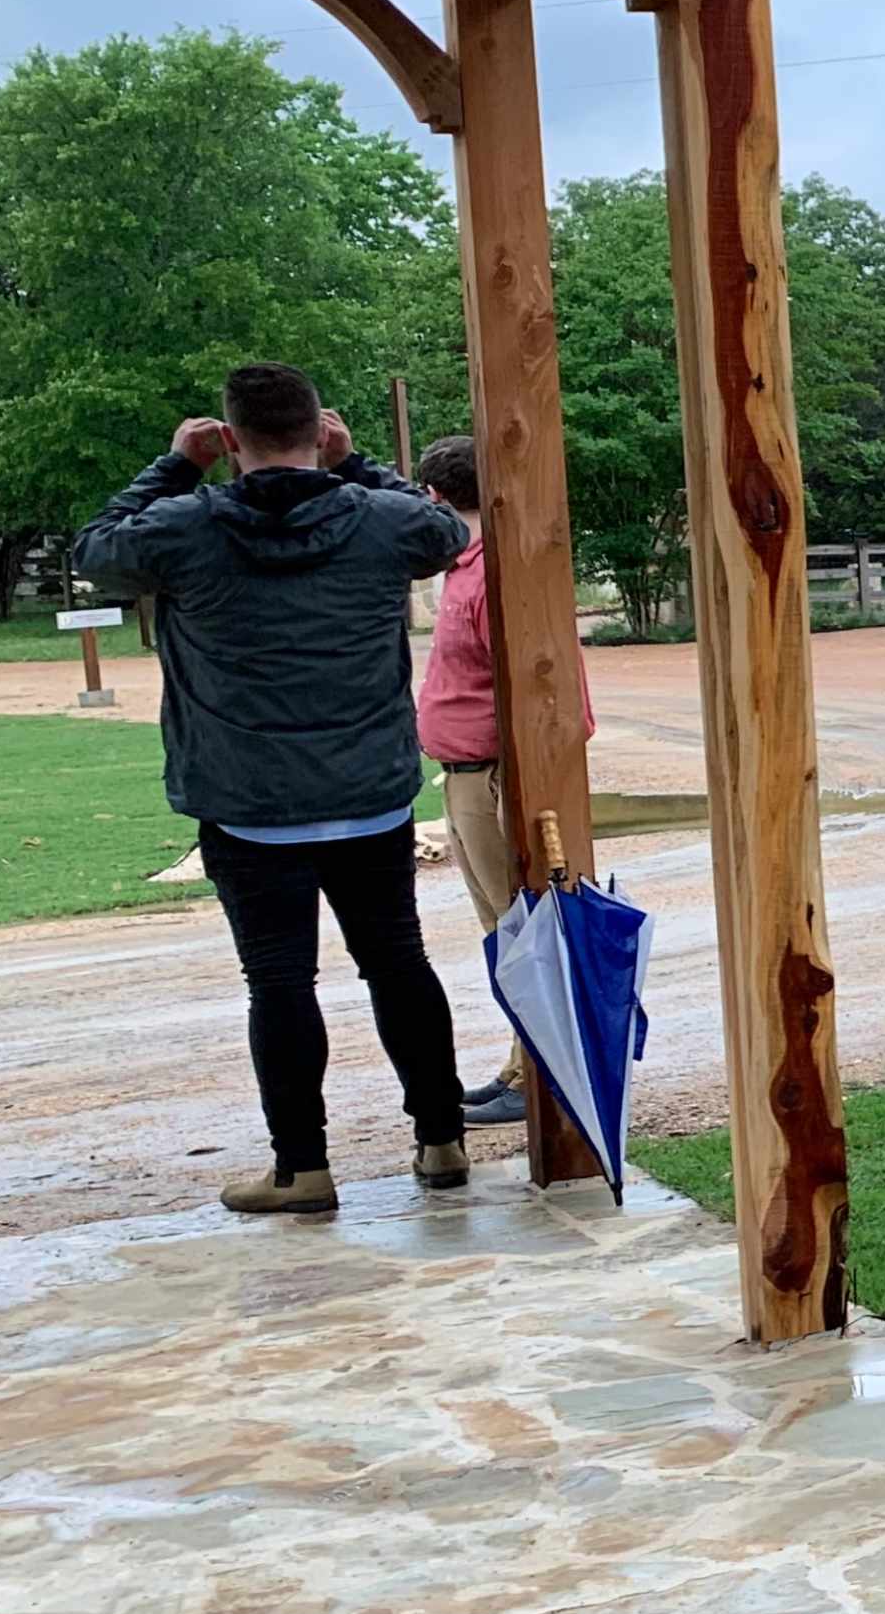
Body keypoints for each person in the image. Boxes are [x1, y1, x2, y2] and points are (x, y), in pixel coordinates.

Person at [75, 363, 473, 1215]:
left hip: (249, 805)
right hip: (369, 794)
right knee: (398, 964)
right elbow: (445, 533)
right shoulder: (378, 520)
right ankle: (441, 1140)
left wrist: (176, 465)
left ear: (230, 437)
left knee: (281, 982)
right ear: (316, 430)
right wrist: (355, 462)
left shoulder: (184, 527)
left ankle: (304, 1168)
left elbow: (94, 550)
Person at [412, 434, 594, 1130]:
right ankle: (523, 1063)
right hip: (463, 774)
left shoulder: (496, 573)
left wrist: (515, 784)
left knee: (523, 927)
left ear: (434, 498)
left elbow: (547, 690)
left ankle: (542, 1076)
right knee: (501, 928)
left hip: (493, 777)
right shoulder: (466, 567)